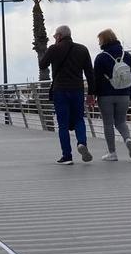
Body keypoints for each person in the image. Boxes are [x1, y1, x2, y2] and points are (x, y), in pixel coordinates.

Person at [39, 25, 95, 165]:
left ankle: (67, 156)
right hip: (77, 89)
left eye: (55, 36)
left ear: (59, 36)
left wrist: (52, 49)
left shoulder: (54, 49)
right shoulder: (82, 49)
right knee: (78, 119)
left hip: (60, 90)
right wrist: (91, 93)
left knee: (63, 124)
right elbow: (89, 72)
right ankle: (82, 143)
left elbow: (42, 65)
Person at [93, 29, 131, 161]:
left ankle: (112, 153)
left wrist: (95, 95)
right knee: (121, 121)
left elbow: (97, 79)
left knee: (108, 123)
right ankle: (128, 139)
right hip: (124, 93)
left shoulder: (101, 57)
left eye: (99, 40)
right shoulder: (127, 56)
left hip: (106, 95)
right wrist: (130, 93)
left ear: (103, 40)